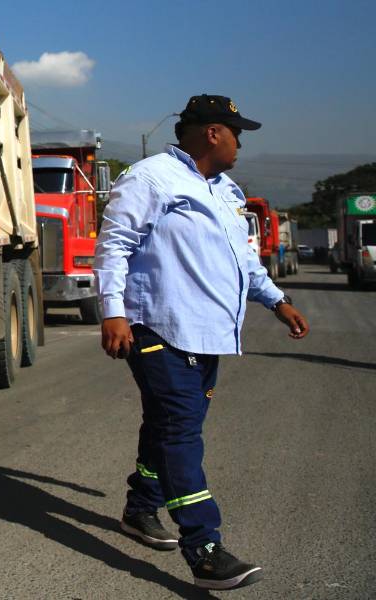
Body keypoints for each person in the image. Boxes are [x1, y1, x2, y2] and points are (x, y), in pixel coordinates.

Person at [93, 94, 310, 591]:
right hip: (157, 327)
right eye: (238, 133)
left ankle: (140, 508)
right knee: (181, 432)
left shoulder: (226, 189)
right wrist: (113, 311)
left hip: (207, 332)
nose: (241, 144)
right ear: (213, 132)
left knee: (169, 424)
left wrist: (277, 301)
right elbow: (115, 245)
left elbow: (244, 260)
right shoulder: (150, 178)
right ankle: (205, 548)